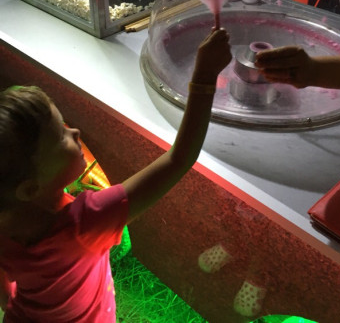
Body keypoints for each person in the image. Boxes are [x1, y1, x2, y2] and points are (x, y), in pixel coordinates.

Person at [0, 28, 232, 323]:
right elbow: (178, 159)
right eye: (61, 136)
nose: (75, 132)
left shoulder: (5, 221)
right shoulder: (87, 222)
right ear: (30, 188)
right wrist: (204, 77)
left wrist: (12, 301)